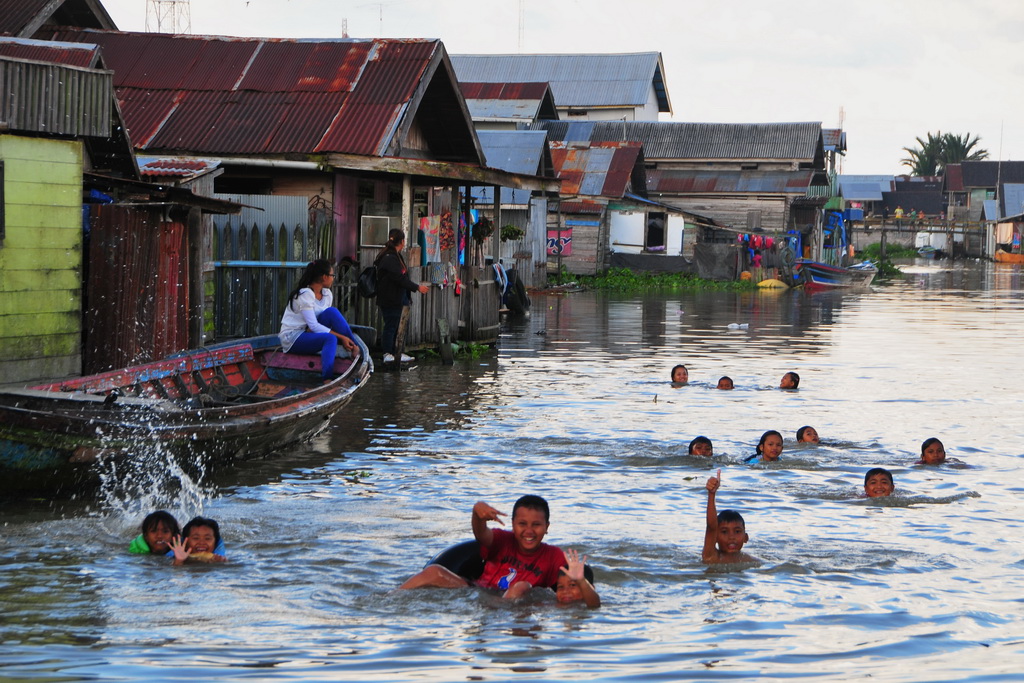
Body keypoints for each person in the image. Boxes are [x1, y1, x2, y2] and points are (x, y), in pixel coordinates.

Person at [398, 495, 567, 600]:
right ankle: (389, 598)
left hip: (513, 603)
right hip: (478, 592)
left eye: (536, 525)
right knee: (434, 571)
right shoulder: (503, 539)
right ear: (513, 525)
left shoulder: (554, 556)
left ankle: (498, 614)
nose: (529, 531)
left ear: (547, 527)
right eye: (522, 524)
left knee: (521, 586)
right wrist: (477, 515)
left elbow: (567, 590)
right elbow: (481, 534)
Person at [279, 259, 360, 382]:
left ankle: (354, 347)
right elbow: (314, 326)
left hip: (309, 332)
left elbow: (317, 325)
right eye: (332, 275)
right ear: (324, 277)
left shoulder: (327, 294)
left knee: (332, 312)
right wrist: (341, 337)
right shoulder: (305, 294)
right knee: (330, 338)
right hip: (293, 337)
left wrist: (343, 337)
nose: (333, 278)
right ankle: (327, 378)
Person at [375, 228, 430, 363]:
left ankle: (398, 353)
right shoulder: (389, 258)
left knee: (398, 326)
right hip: (390, 299)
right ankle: (388, 353)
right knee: (391, 326)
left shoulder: (395, 256)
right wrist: (417, 287)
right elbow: (400, 278)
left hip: (397, 298)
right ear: (402, 241)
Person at [703, 470, 757, 564]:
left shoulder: (748, 560)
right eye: (724, 532)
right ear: (715, 538)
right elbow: (711, 527)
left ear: (745, 538)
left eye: (737, 531)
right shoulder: (712, 556)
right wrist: (711, 494)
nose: (731, 537)